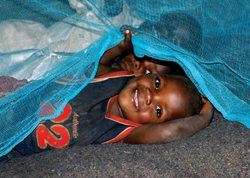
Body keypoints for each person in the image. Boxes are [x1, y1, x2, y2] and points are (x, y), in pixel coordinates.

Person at [0, 30, 213, 163]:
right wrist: (120, 47)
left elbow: (170, 132)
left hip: (12, 144)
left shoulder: (124, 133)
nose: (150, 96)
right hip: (12, 95)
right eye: (157, 84)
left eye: (159, 110)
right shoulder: (116, 78)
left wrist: (205, 117)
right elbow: (98, 62)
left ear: (152, 125)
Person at [100, 12, 202, 77]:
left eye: (173, 40)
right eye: (170, 24)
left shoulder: (120, 79)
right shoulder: (124, 14)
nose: (166, 31)